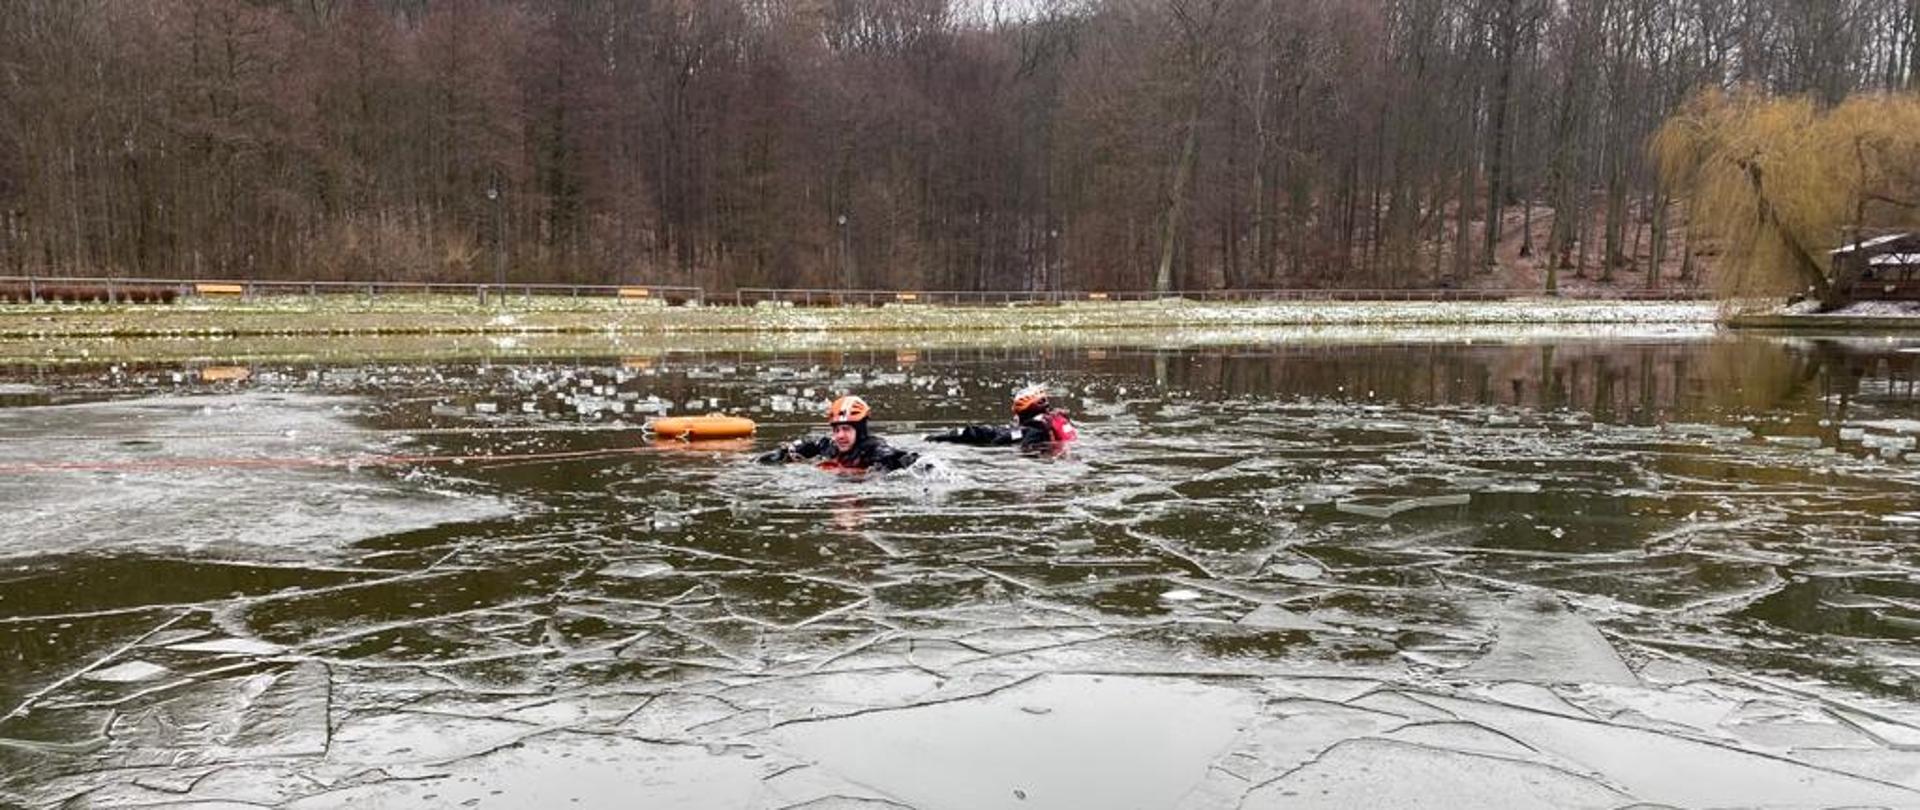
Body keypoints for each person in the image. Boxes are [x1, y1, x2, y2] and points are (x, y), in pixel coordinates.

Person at [756, 394, 920, 473]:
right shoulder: (829, 447)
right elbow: (808, 445)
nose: (840, 436)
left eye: (847, 429)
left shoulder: (874, 449)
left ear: (861, 431)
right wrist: (781, 453)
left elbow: (901, 459)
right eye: (836, 430)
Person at [925, 383, 1078, 451]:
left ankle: (933, 438)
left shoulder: (1034, 428)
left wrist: (981, 435)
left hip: (1041, 452)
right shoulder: (1054, 418)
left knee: (979, 432)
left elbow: (999, 441)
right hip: (1056, 450)